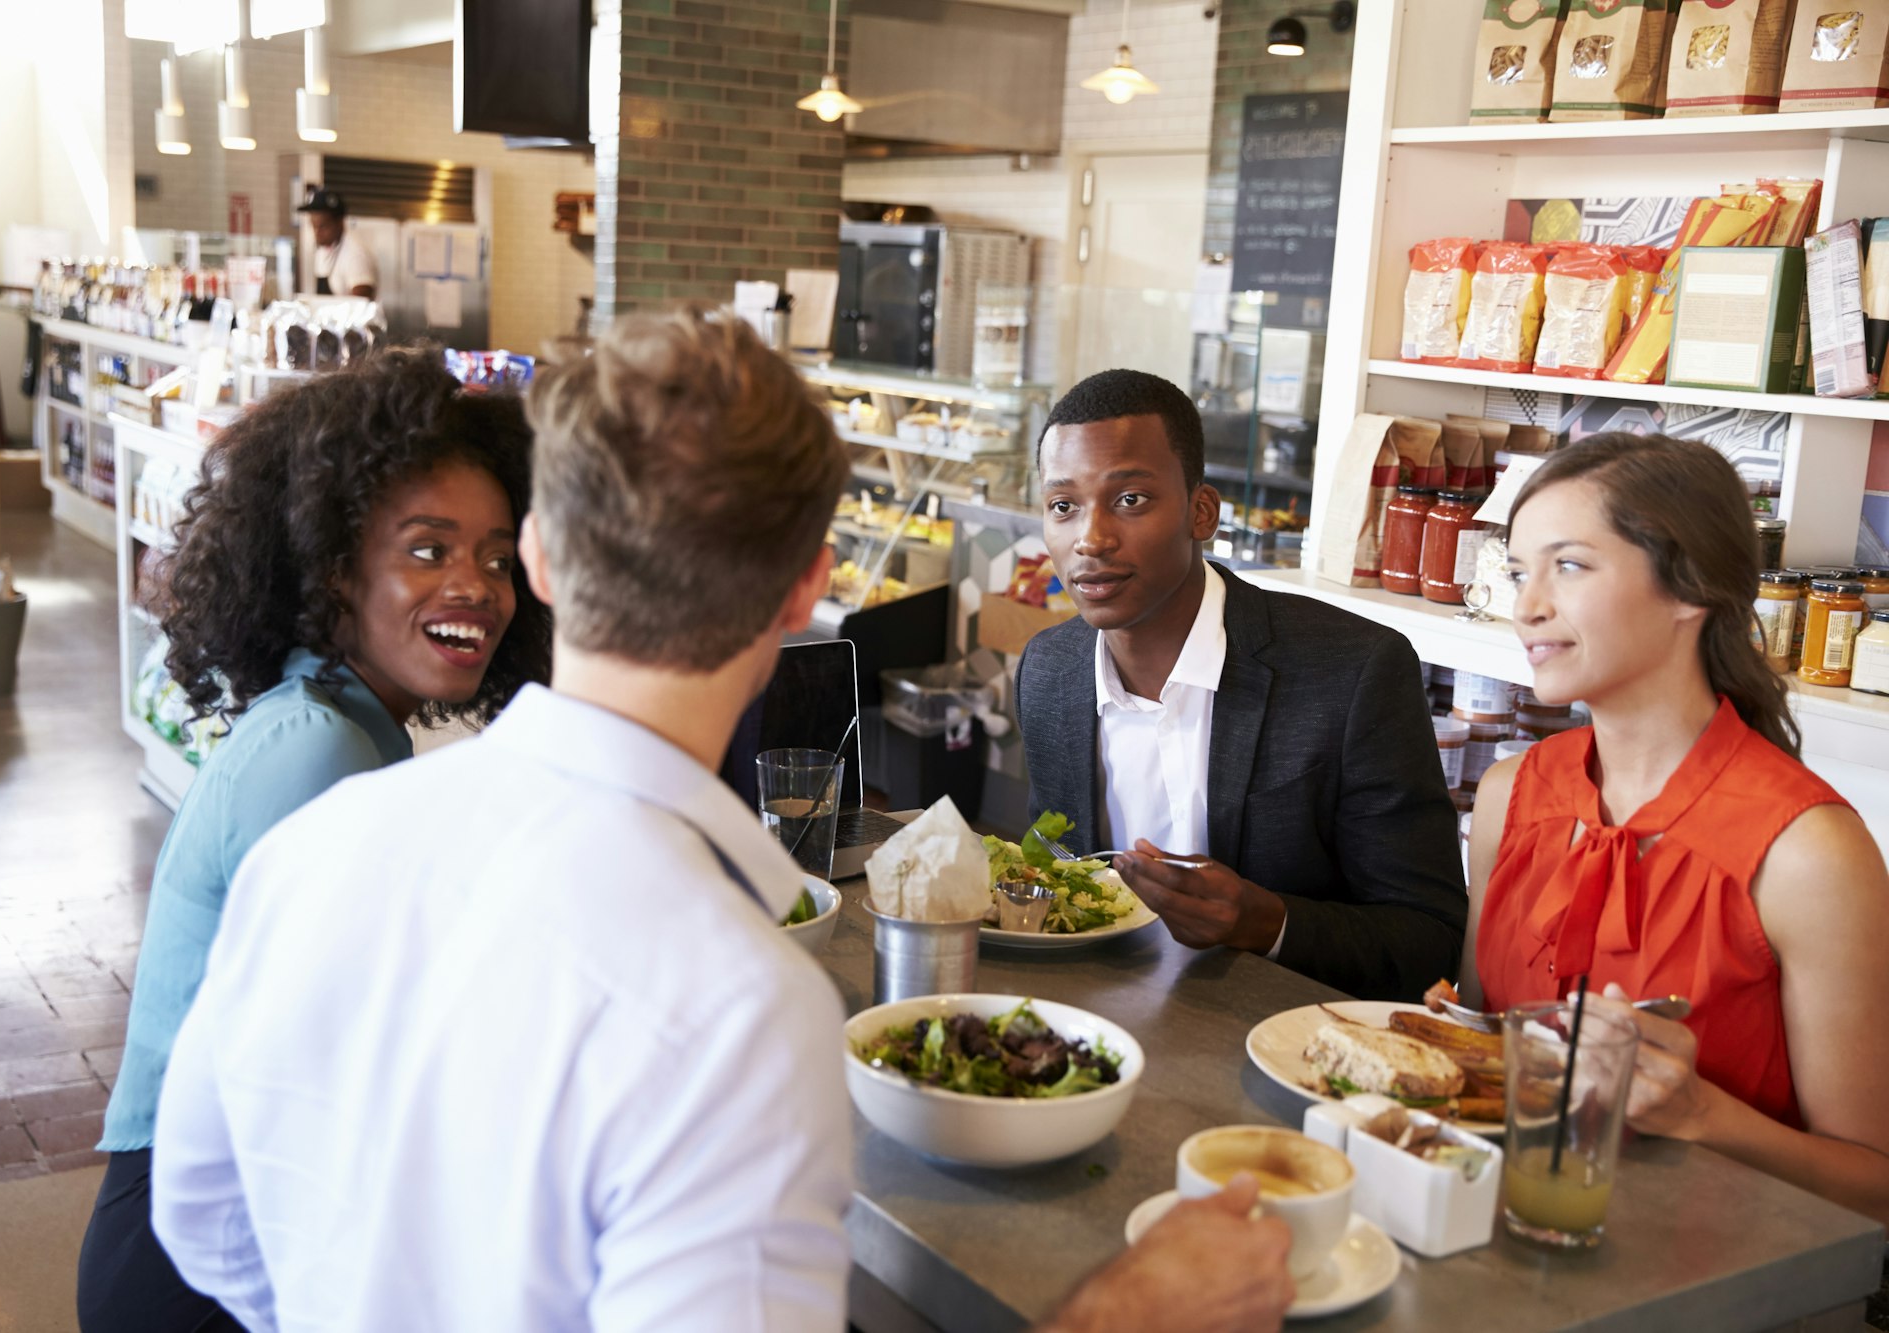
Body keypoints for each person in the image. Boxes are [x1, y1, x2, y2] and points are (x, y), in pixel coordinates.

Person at [147, 310, 1300, 1333]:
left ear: (540, 555)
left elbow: (201, 1216)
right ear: (804, 589)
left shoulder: (318, 847)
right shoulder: (739, 1004)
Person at [75, 348, 550, 1332]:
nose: (477, 586)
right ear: (333, 564)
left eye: (498, 557)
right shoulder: (317, 748)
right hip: (198, 1262)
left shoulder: (341, 716)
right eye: (428, 549)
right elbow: (338, 1082)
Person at [1466, 432, 1889, 1226]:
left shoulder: (1809, 853)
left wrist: (1701, 1112)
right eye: (1521, 571)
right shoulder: (1509, 795)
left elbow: (1875, 1184)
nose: (1527, 605)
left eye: (1571, 565)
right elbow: (1492, 1055)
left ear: (1689, 588)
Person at [1017, 369, 1466, 1002]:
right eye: (1063, 506)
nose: (1090, 539)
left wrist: (1266, 923)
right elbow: (1053, 882)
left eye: (1130, 500)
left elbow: (1430, 943)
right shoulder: (1050, 671)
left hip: (1282, 1055)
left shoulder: (1353, 672)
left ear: (1201, 512)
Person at [298, 185, 378, 299]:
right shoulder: (323, 250)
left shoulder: (355, 255)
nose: (317, 232)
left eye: (323, 226)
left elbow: (360, 306)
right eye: (314, 226)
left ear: (339, 222)